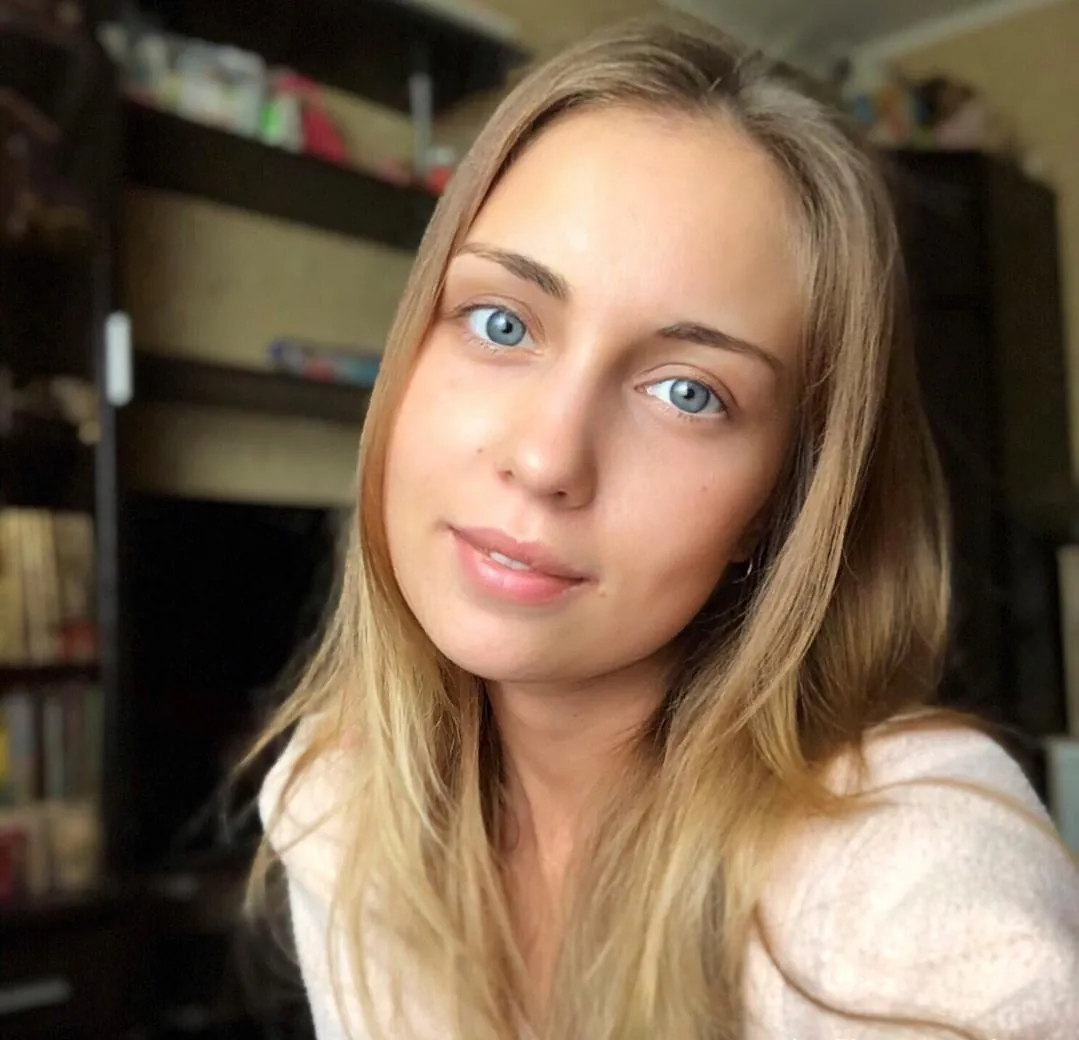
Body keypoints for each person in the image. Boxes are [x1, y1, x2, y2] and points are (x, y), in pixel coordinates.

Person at [249, 16, 1079, 1040]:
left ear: (777, 502)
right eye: (501, 323)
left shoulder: (904, 885)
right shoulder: (334, 801)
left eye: (688, 391)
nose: (547, 458)